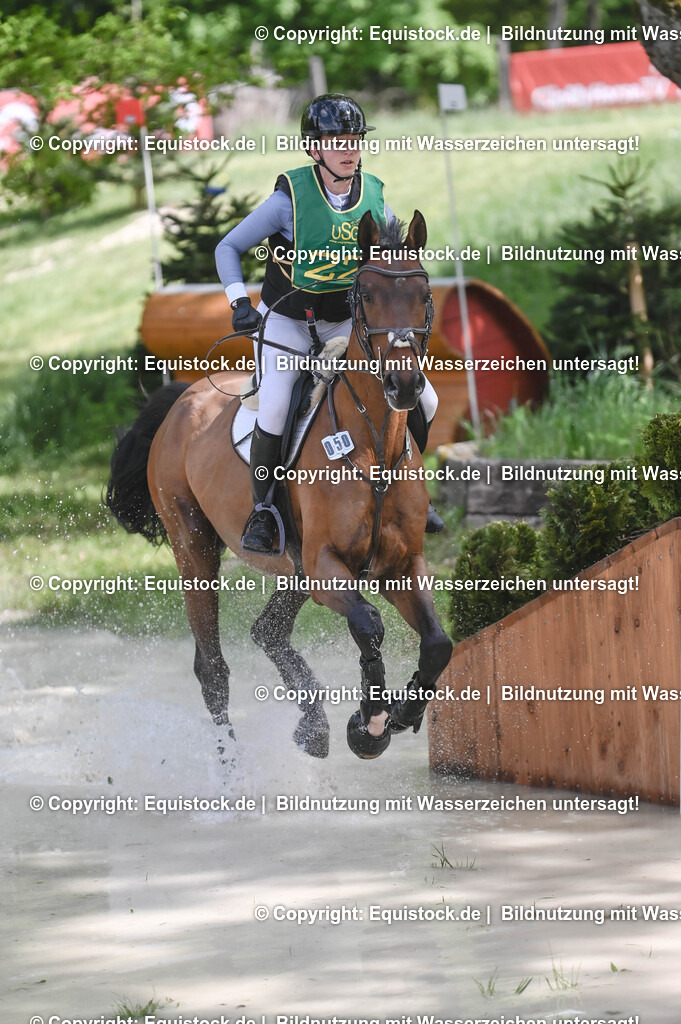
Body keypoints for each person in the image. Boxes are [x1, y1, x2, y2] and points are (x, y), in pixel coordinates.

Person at [215, 93, 443, 554]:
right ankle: (264, 511)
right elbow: (227, 247)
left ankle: (410, 491)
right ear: (314, 148)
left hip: (344, 325)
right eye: (336, 140)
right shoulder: (288, 201)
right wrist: (239, 302)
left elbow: (387, 261)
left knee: (428, 399)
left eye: (354, 139)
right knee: (276, 407)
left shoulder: (374, 195)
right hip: (288, 323)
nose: (348, 149)